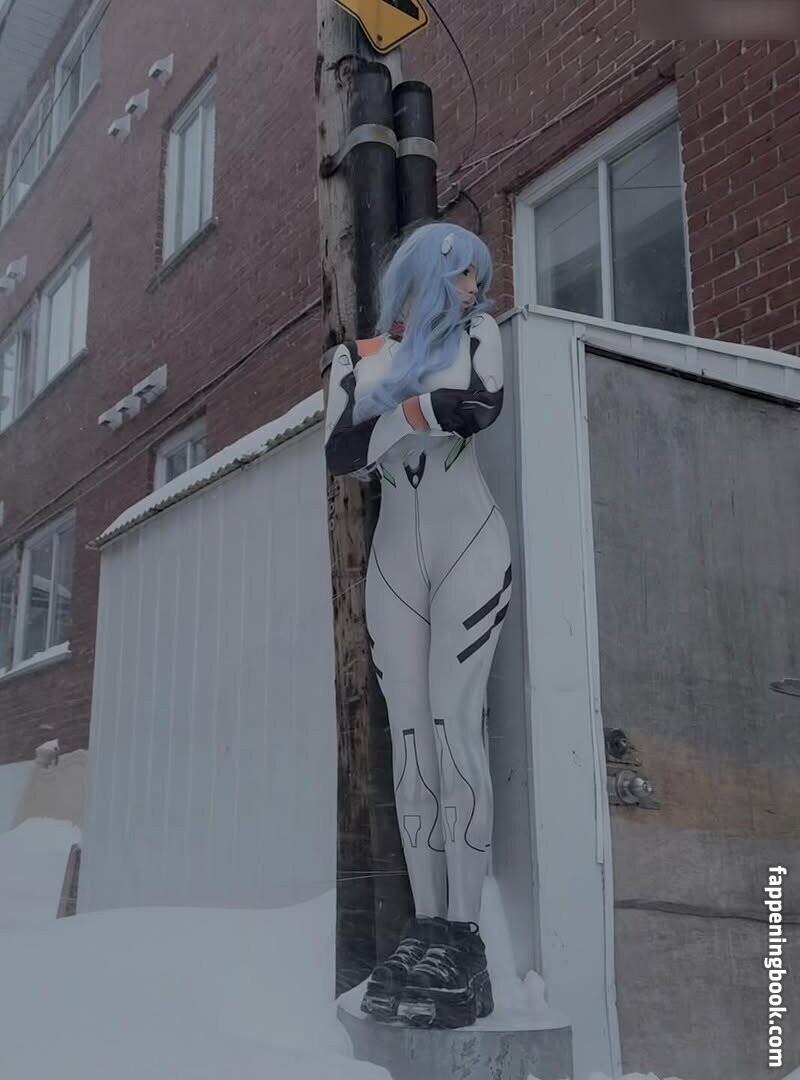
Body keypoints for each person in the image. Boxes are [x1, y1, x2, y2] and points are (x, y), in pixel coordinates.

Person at [323, 222, 511, 1029]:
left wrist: (396, 411)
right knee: (411, 744)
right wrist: (417, 411)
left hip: (470, 548)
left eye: (478, 277)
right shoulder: (353, 358)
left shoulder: (479, 336)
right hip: (396, 561)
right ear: (425, 275)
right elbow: (340, 452)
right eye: (465, 274)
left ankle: (464, 934)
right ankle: (429, 924)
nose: (475, 289)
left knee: (455, 729)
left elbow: (477, 408)